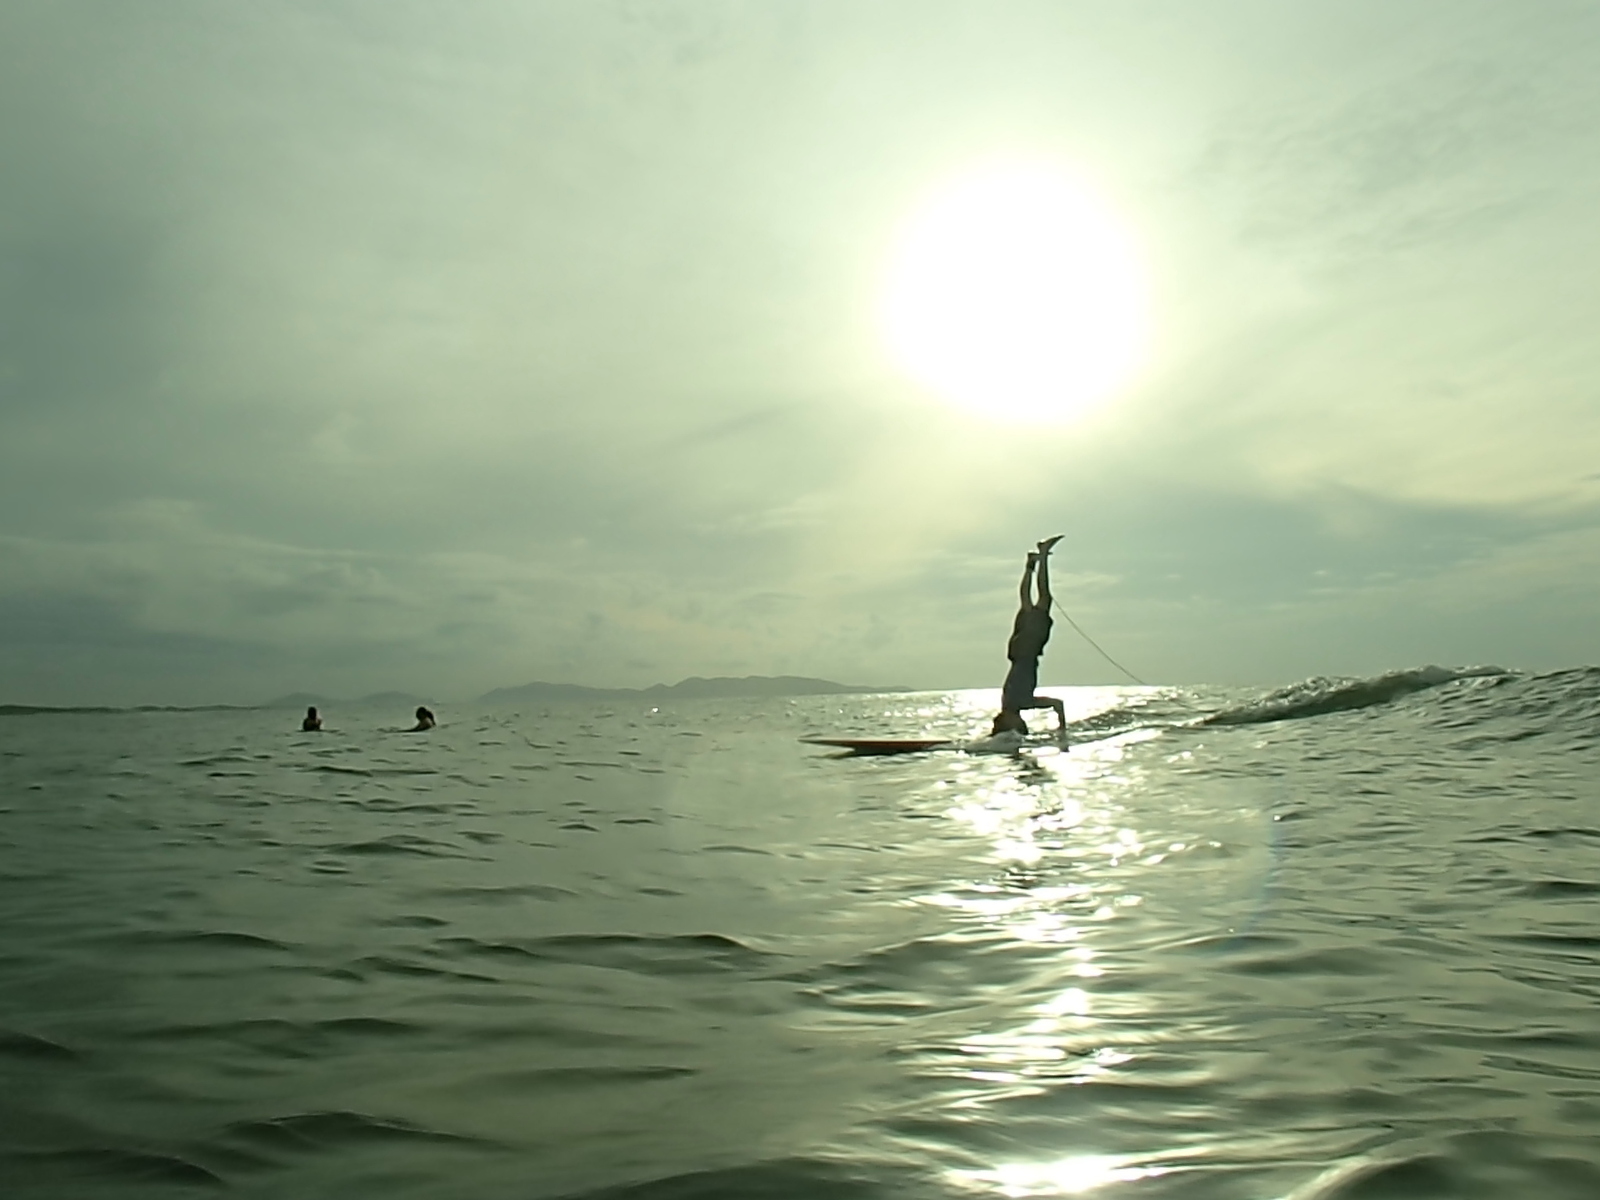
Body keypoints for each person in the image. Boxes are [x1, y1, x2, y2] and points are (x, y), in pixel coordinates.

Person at [991, 536, 1068, 737]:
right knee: (1029, 602)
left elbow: (1057, 704)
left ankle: (1040, 558)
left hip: (1025, 651)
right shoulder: (1016, 704)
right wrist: (1062, 730)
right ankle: (1033, 562)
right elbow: (1057, 704)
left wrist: (1062, 728)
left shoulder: (1015, 704)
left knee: (1041, 599)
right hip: (1020, 651)